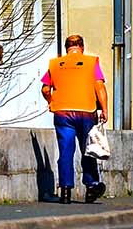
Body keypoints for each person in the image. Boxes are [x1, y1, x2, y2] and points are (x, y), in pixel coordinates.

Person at [40, 34, 109, 203]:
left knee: (65, 151)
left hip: (63, 113)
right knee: (88, 149)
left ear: (66, 48)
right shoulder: (91, 62)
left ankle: (65, 192)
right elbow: (99, 87)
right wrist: (105, 109)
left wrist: (51, 102)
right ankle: (91, 187)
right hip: (87, 112)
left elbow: (45, 89)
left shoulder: (55, 64)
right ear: (82, 47)